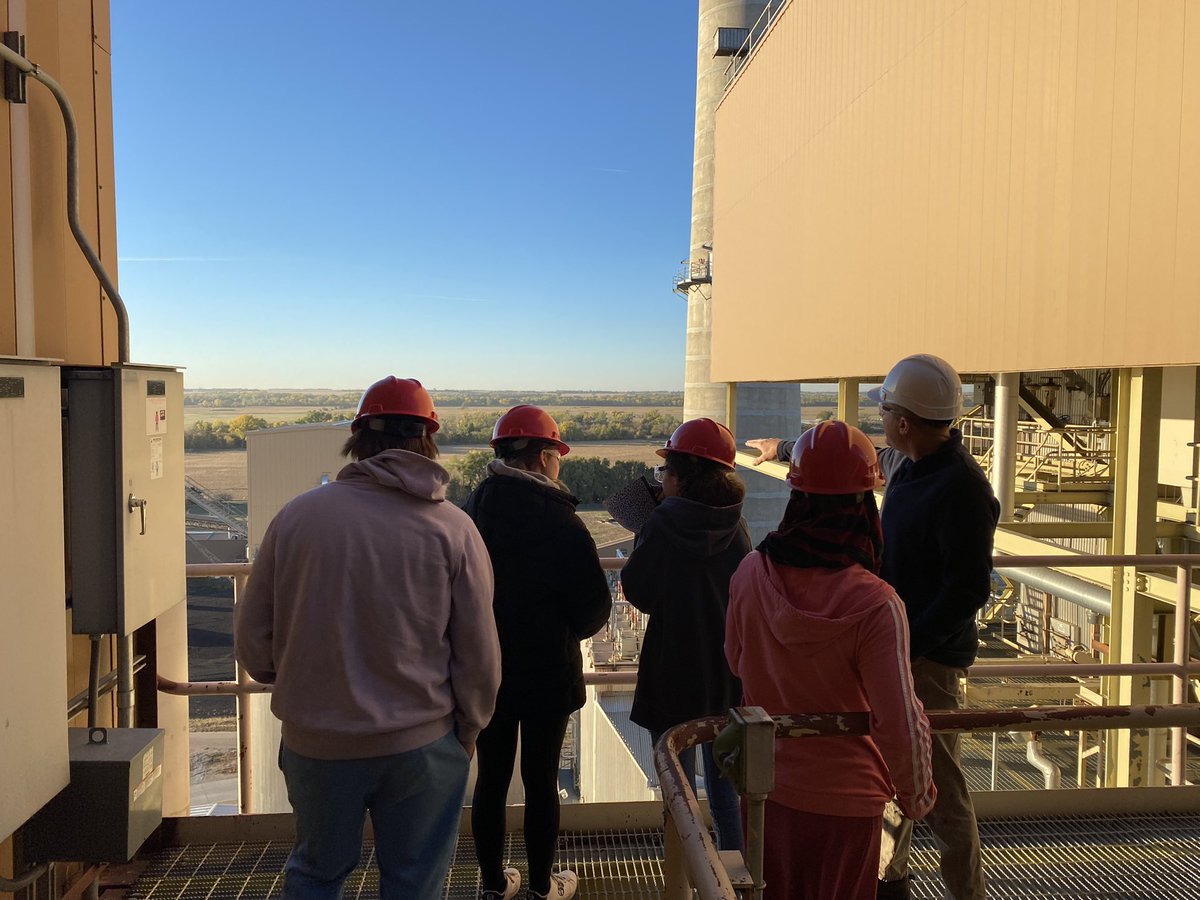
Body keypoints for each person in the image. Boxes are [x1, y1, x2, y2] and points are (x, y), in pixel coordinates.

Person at [234, 375, 502, 900]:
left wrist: (290, 680)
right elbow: (478, 654)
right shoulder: (453, 529)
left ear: (358, 438)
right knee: (413, 883)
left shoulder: (298, 516)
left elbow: (254, 640)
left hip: (317, 742)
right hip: (421, 743)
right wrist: (469, 729)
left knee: (316, 874)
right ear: (428, 440)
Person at [747, 353, 1000, 900]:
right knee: (891, 767)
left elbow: (968, 590)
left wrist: (910, 646)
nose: (879, 418)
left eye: (884, 410)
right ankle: (890, 882)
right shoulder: (911, 460)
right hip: (891, 642)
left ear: (904, 421)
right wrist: (784, 448)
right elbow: (865, 457)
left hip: (928, 658)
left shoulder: (962, 489)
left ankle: (965, 892)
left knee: (941, 789)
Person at [726, 420, 936, 900]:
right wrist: (917, 795)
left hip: (764, 788)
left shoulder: (750, 573)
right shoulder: (878, 604)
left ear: (796, 496)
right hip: (848, 802)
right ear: (865, 506)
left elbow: (736, 661)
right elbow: (899, 719)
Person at [464, 405, 612, 900]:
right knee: (541, 780)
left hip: (486, 672)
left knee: (491, 778)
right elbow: (592, 611)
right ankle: (542, 887)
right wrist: (562, 630)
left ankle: (492, 884)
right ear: (546, 456)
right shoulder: (562, 522)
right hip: (548, 675)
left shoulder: (471, 512)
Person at [620, 417, 749, 853]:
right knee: (725, 788)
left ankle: (684, 870)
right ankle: (734, 872)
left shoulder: (662, 524)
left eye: (665, 472)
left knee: (679, 789)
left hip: (673, 669)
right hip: (726, 674)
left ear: (681, 475)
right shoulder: (737, 525)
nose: (663, 480)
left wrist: (644, 534)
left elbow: (639, 591)